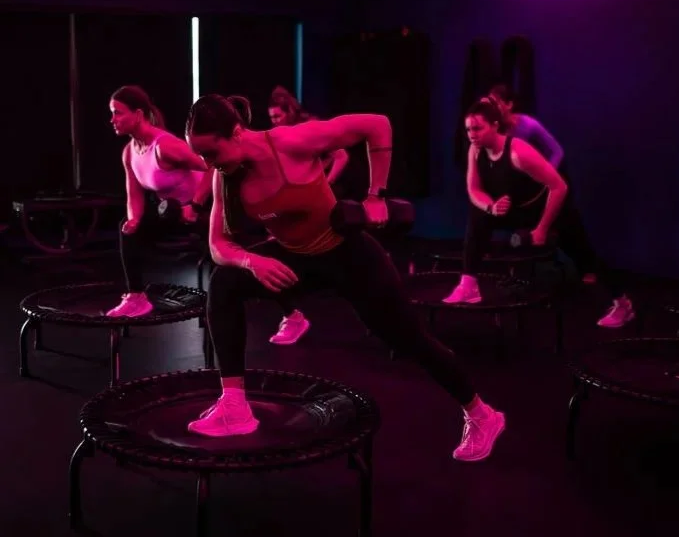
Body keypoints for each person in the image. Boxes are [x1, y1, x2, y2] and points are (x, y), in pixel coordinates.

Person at [183, 93, 505, 462]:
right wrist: (251, 261)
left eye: (211, 153)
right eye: (201, 156)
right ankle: (235, 407)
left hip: (347, 255)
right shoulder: (225, 177)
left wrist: (375, 195)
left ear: (236, 133)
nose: (207, 163)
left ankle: (482, 414)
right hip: (298, 259)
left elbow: (377, 125)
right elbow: (218, 245)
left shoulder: (291, 141)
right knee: (224, 282)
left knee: (408, 339)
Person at [443, 98, 635, 329]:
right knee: (478, 214)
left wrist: (542, 228)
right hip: (518, 209)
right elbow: (474, 189)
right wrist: (491, 207)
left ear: (494, 125)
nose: (472, 134)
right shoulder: (475, 150)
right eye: (468, 130)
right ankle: (469, 284)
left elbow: (559, 187)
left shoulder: (518, 152)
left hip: (550, 209)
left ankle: (622, 304)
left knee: (585, 258)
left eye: (477, 128)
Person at [106, 85, 213, 317]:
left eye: (117, 113)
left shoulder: (165, 146)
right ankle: (136, 297)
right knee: (128, 227)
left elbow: (213, 166)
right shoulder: (129, 152)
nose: (112, 119)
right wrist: (134, 220)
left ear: (138, 114)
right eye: (112, 113)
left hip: (202, 208)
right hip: (173, 213)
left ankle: (222, 301)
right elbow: (134, 194)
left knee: (214, 241)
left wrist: (195, 206)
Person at [263, 86, 350, 345]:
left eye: (277, 116)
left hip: (328, 190)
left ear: (289, 112)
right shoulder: (280, 136)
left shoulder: (309, 127)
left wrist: (326, 183)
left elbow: (342, 156)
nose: (274, 122)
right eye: (271, 118)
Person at [488, 84, 597, 285]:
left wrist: (546, 176)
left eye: (496, 102)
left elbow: (557, 151)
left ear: (509, 104)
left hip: (549, 181)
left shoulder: (528, 125)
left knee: (568, 224)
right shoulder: (494, 128)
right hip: (525, 187)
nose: (492, 107)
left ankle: (588, 268)